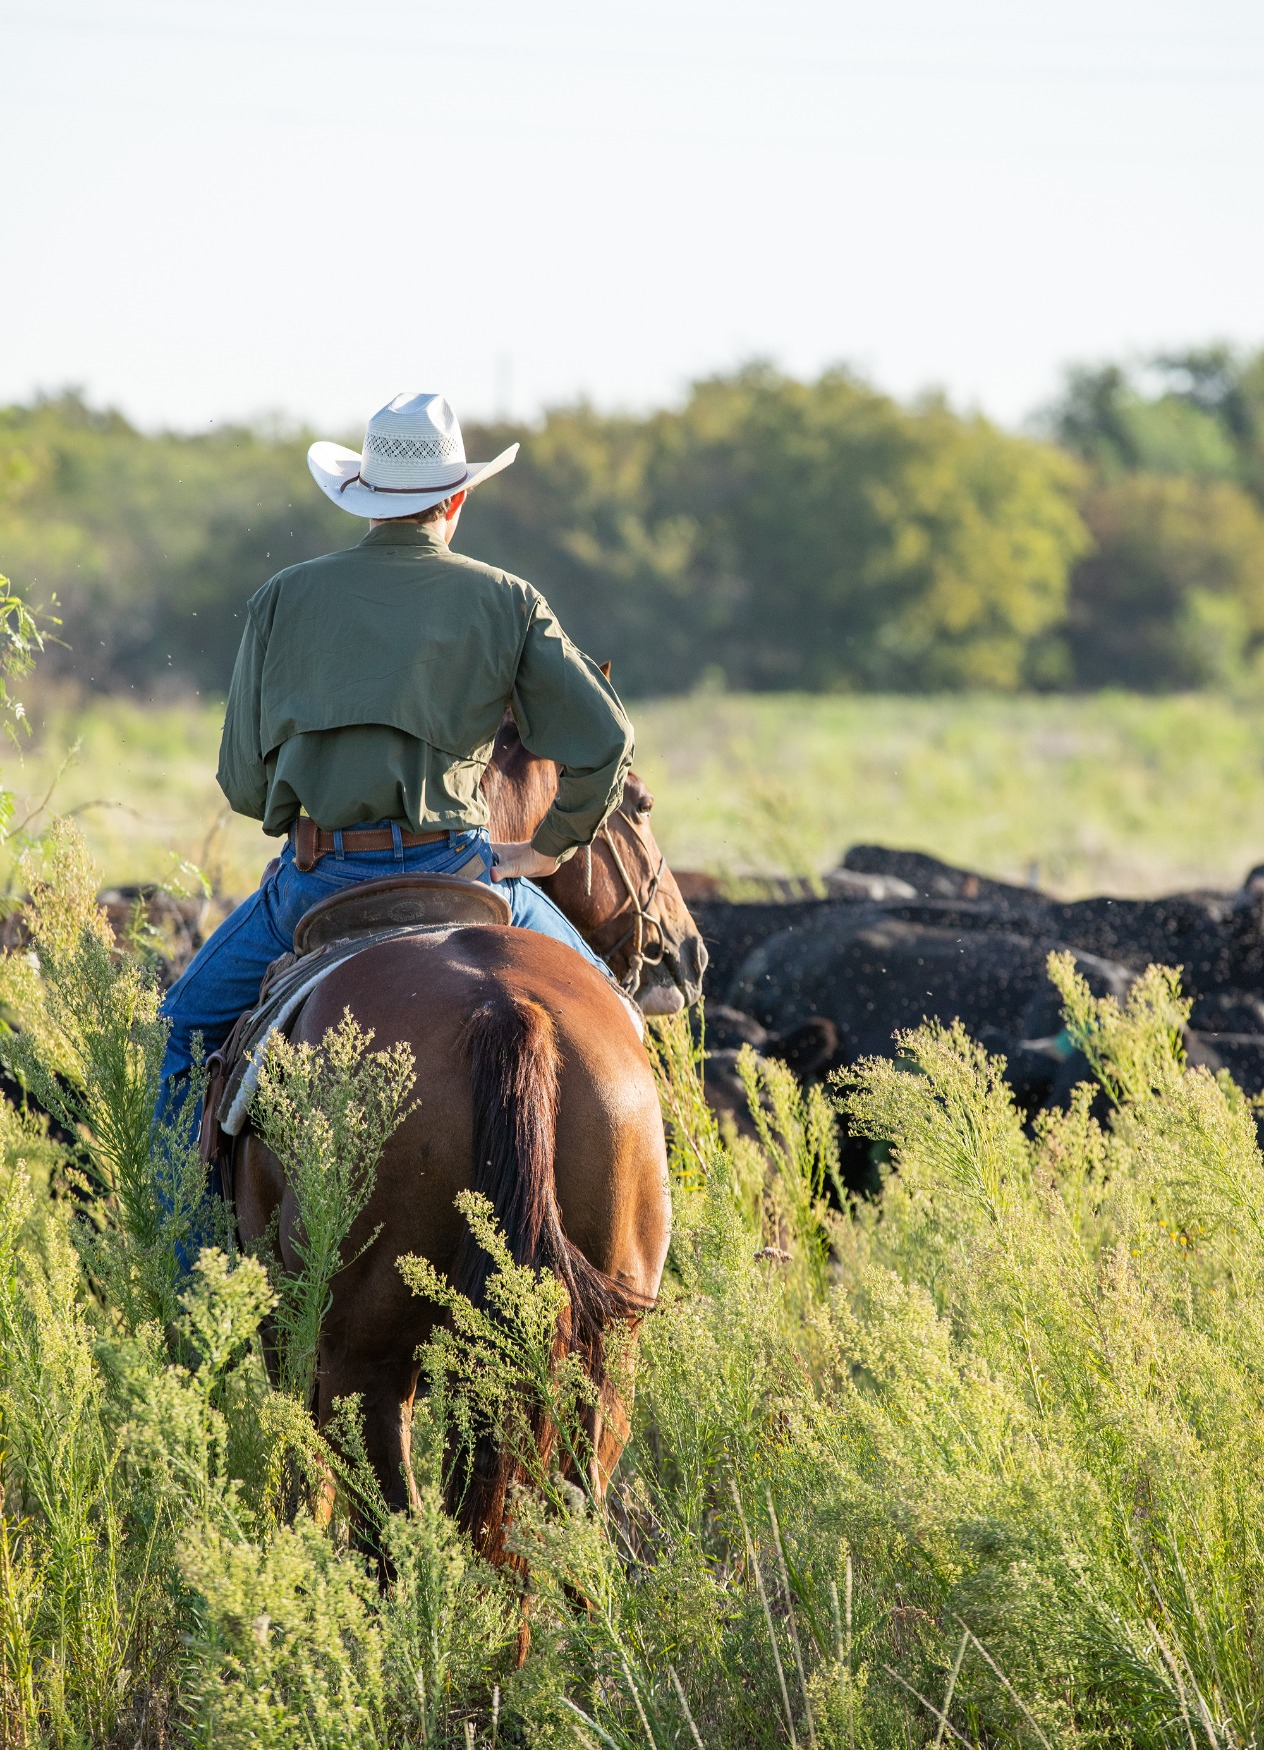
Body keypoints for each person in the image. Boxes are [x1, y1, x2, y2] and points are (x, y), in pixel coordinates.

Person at [158, 390, 635, 1129]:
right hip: (460, 872)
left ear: (362, 497)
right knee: (617, 1020)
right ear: (458, 499)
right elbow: (607, 740)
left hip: (322, 883)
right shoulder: (508, 599)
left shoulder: (283, 598)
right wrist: (542, 851)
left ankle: (184, 1246)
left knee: (180, 1035)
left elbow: (244, 785)